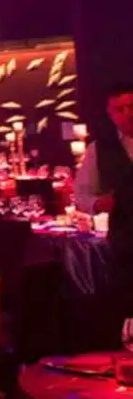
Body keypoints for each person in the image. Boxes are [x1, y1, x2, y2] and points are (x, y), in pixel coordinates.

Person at [75, 81, 133, 298]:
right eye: (120, 109)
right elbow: (81, 195)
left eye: (132, 107)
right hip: (126, 246)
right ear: (111, 114)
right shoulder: (98, 150)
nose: (128, 114)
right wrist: (98, 203)